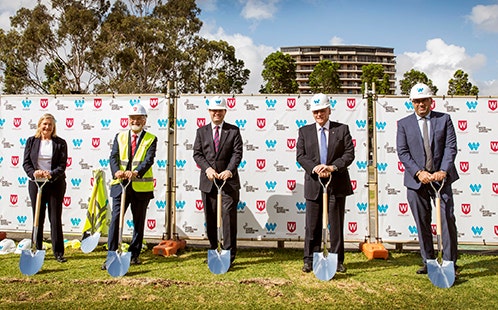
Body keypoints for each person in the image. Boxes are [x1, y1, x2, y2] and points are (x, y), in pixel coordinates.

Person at [396, 83, 459, 274]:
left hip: (441, 179)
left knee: (446, 219)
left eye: (424, 100)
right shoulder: (404, 124)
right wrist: (418, 172)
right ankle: (429, 261)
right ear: (412, 103)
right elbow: (403, 152)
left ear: (431, 101)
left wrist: (443, 170)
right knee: (422, 221)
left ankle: (449, 262)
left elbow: (450, 147)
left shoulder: (444, 119)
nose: (421, 104)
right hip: (417, 182)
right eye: (417, 101)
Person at [297, 93, 355, 273]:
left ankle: (337, 260)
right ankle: (309, 259)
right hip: (314, 184)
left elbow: (349, 154)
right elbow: (300, 155)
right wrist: (315, 168)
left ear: (329, 110)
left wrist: (332, 167)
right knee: (312, 225)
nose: (319, 115)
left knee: (336, 225)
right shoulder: (304, 131)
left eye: (322, 111)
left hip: (336, 184)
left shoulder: (342, 129)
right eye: (315, 112)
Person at [102, 103, 157, 269]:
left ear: (145, 120)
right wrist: (116, 171)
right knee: (116, 220)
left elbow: (149, 160)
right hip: (120, 185)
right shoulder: (120, 137)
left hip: (141, 187)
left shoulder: (151, 138)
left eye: (140, 118)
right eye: (133, 118)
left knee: (138, 222)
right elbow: (113, 157)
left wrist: (136, 172)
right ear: (128, 120)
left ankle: (134, 255)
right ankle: (112, 254)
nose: (136, 121)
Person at [193, 96, 243, 265]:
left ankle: (229, 253)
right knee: (211, 217)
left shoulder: (234, 131)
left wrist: (229, 170)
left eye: (220, 110)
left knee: (228, 217)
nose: (217, 113)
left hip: (229, 183)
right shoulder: (201, 132)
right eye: (214, 110)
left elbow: (237, 153)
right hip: (209, 183)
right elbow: (197, 154)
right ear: (209, 112)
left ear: (224, 112)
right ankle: (215, 250)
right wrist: (207, 169)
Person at [23, 113, 68, 263]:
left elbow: (62, 165)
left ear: (53, 126)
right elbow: (26, 163)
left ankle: (58, 252)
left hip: (55, 183)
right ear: (39, 125)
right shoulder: (31, 141)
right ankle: (36, 248)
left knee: (55, 217)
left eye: (50, 124)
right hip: (36, 184)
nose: (47, 127)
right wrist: (34, 173)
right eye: (45, 124)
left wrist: (51, 174)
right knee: (38, 217)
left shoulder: (60, 143)